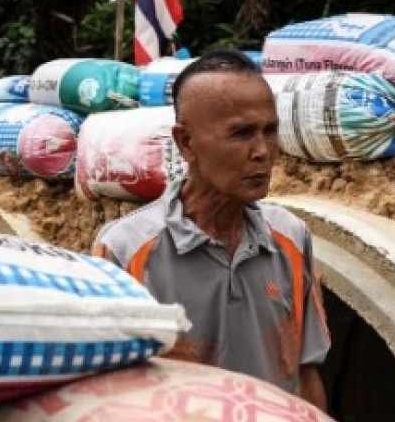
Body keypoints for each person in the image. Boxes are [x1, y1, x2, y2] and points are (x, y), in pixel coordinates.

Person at [93, 50, 330, 412]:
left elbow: (306, 372)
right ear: (186, 143)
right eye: (241, 133)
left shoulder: (291, 237)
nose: (263, 152)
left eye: (270, 131)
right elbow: (109, 394)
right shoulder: (125, 251)